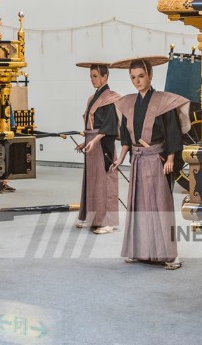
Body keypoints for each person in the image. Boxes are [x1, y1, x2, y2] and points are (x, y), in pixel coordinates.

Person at [112, 56, 190, 270]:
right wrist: (120, 157)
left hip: (158, 159)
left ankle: (167, 255)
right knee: (139, 206)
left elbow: (173, 131)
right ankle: (139, 251)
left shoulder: (164, 102)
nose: (137, 81)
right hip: (137, 159)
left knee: (160, 205)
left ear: (150, 75)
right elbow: (126, 136)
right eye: (133, 77)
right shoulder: (128, 103)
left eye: (141, 76)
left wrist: (172, 157)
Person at [74, 62, 121, 234]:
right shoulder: (92, 98)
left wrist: (94, 141)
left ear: (105, 77)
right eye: (91, 77)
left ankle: (106, 221)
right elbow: (90, 124)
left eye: (95, 76)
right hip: (91, 143)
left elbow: (110, 125)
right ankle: (92, 217)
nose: (92, 80)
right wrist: (86, 140)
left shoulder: (111, 98)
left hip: (102, 144)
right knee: (92, 181)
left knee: (104, 182)